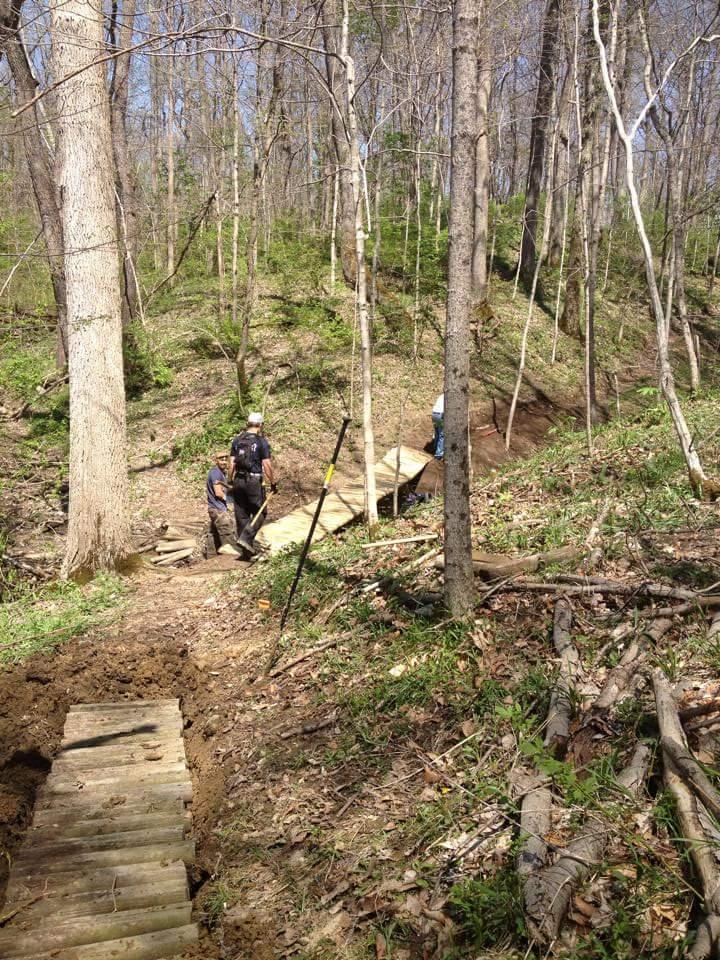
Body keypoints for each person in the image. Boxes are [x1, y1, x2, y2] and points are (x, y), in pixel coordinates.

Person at [229, 411, 277, 556]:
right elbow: (267, 464)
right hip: (254, 481)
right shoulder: (261, 441)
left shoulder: (237, 440)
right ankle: (246, 538)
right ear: (260, 425)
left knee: (241, 513)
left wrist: (230, 480)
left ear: (247, 424)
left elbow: (231, 462)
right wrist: (273, 482)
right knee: (261, 512)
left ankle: (246, 549)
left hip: (238, 480)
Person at [206, 453, 240, 556]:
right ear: (216, 461)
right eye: (221, 460)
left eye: (226, 460)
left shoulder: (220, 473)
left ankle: (211, 558)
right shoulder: (216, 473)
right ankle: (229, 558)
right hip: (218, 509)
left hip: (214, 508)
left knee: (214, 535)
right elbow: (219, 493)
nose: (224, 462)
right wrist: (230, 502)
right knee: (227, 533)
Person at [431, 393, 444, 460]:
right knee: (442, 435)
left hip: (434, 414)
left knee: (437, 432)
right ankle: (439, 454)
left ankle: (435, 448)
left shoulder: (442, 395)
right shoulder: (450, 396)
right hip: (440, 415)